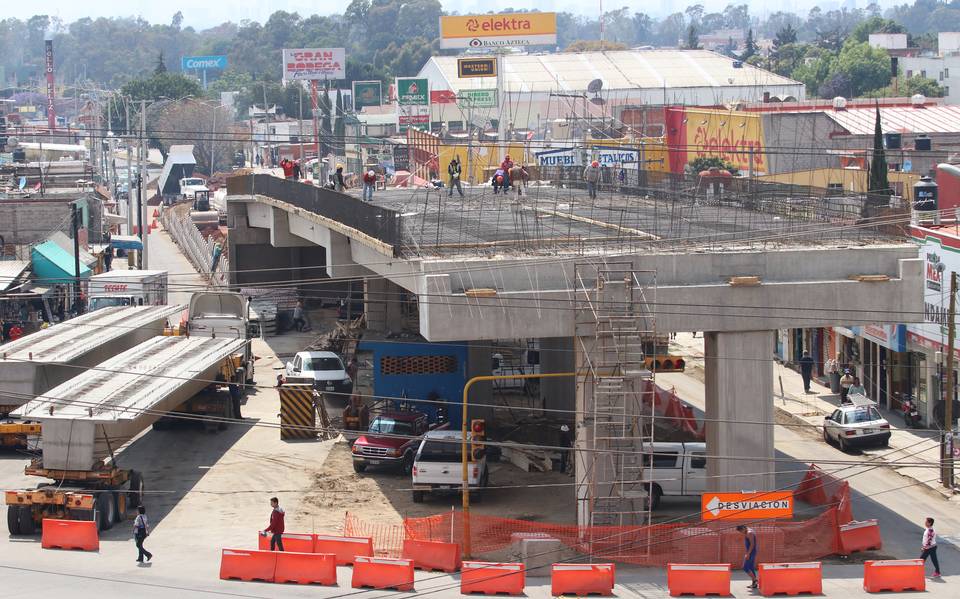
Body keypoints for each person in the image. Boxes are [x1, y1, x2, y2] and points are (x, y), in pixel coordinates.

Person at [737, 524, 758, 589]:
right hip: (751, 551)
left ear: (743, 528)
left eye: (741, 531)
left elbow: (752, 544)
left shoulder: (749, 533)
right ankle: (754, 584)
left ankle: (755, 580)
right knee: (751, 567)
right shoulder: (748, 531)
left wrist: (748, 554)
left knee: (745, 567)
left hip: (751, 552)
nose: (741, 533)